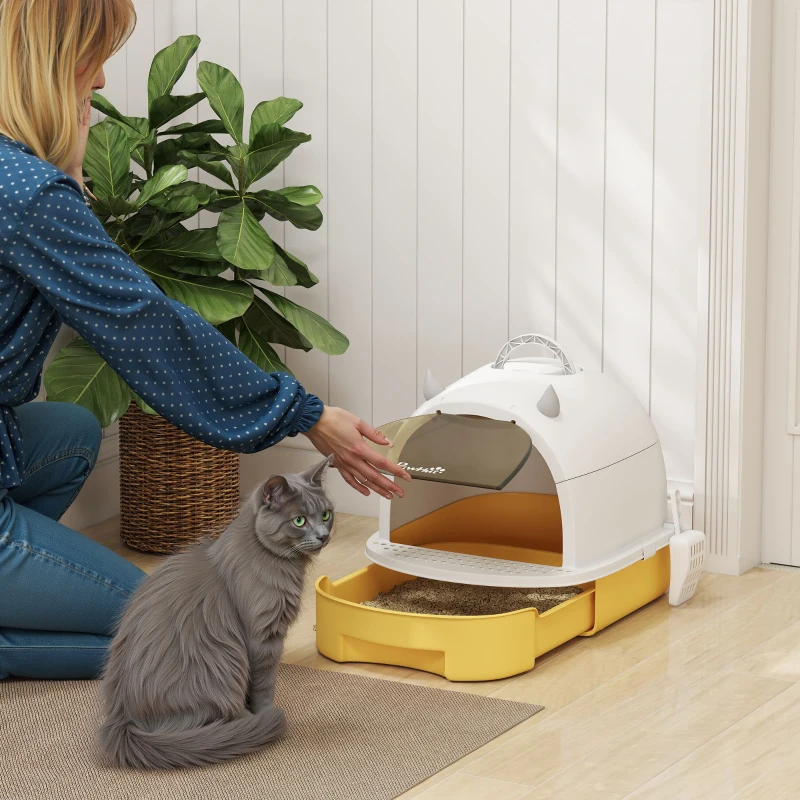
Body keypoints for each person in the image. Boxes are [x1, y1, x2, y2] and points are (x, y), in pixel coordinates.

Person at [0, 0, 409, 681]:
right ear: (46, 63)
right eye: (90, 60)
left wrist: (66, 174)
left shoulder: (17, 178)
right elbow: (145, 326)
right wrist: (304, 414)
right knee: (182, 631)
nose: (100, 81)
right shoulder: (25, 192)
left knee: (70, 431)